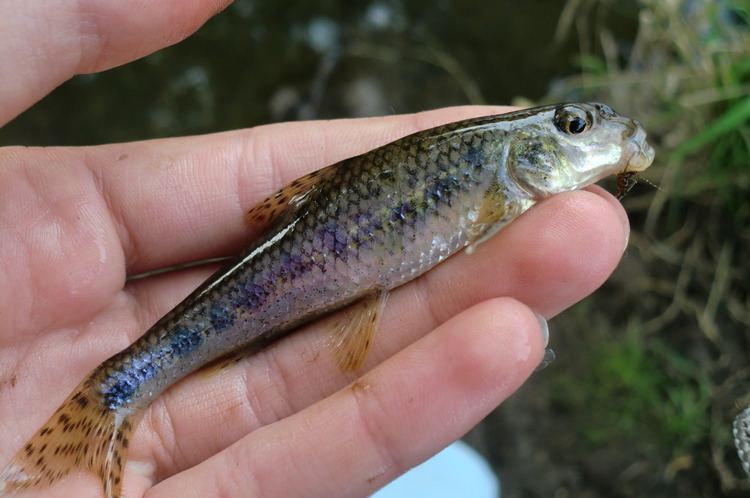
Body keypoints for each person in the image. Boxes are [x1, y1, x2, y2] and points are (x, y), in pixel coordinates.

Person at [0, 2, 630, 497]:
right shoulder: (497, 160)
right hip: (310, 267)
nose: (588, 133)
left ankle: (116, 396)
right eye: (574, 125)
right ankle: (118, 392)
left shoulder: (500, 167)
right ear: (537, 146)